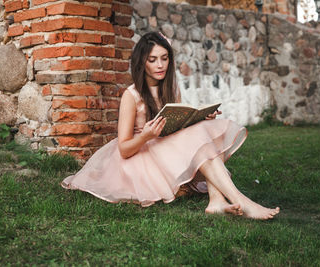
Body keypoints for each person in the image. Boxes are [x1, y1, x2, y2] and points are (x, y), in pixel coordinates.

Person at [62, 32, 280, 220]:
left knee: (207, 130)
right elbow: (124, 149)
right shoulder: (132, 95)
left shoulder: (171, 88)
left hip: (166, 147)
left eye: (164, 58)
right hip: (141, 152)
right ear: (142, 63)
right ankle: (240, 200)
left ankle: (216, 201)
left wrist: (201, 118)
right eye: (153, 60)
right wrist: (146, 136)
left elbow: (179, 128)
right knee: (200, 138)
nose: (160, 65)